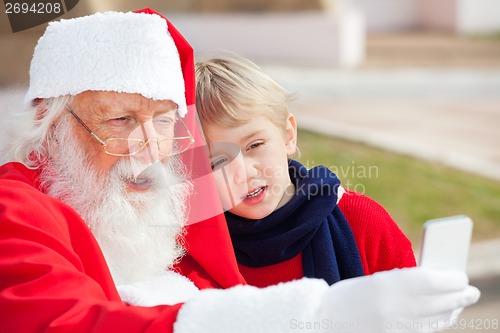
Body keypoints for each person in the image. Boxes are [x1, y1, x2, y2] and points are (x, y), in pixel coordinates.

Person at [0, 8, 479, 333]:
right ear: (51, 125)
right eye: (121, 120)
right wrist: (319, 313)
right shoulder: (15, 209)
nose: (148, 146)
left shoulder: (157, 220)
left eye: (164, 121)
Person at [195, 54, 416, 287]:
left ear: (288, 135)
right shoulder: (199, 256)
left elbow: (416, 311)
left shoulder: (362, 221)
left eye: (255, 145)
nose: (244, 172)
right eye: (218, 161)